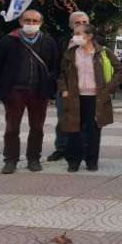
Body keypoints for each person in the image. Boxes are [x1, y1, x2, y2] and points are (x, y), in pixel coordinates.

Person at [0, 10, 59, 174]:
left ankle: (33, 159)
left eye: (35, 21)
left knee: (37, 128)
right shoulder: (8, 40)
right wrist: (3, 88)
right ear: (21, 21)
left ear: (41, 23)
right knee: (12, 128)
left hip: (39, 91)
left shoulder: (48, 41)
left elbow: (55, 66)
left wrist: (49, 86)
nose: (31, 23)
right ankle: (10, 160)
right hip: (14, 91)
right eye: (27, 20)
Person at [58, 24, 122, 172]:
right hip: (75, 97)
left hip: (96, 97)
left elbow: (119, 71)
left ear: (89, 36)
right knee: (74, 129)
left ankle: (92, 160)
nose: (75, 37)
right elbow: (62, 74)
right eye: (74, 34)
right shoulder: (70, 53)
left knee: (94, 130)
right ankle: (73, 161)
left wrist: (108, 89)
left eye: (79, 34)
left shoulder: (103, 52)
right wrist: (64, 90)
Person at [48, 11, 91, 162]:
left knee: (86, 121)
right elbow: (55, 64)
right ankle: (61, 148)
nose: (81, 25)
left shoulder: (97, 42)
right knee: (63, 119)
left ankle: (85, 150)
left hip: (88, 89)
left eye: (84, 22)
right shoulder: (62, 41)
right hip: (65, 88)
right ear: (70, 25)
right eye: (77, 22)